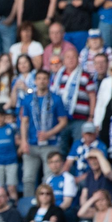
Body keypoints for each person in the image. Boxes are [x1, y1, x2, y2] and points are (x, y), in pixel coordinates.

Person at [19, 69, 68, 198]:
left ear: (49, 81)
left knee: (49, 177)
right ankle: (28, 204)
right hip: (32, 144)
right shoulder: (28, 99)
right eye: (39, 78)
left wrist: (49, 133)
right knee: (28, 178)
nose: (42, 81)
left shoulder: (56, 99)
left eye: (44, 79)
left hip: (50, 144)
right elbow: (24, 121)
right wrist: (23, 141)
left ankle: (48, 204)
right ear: (35, 81)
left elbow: (63, 121)